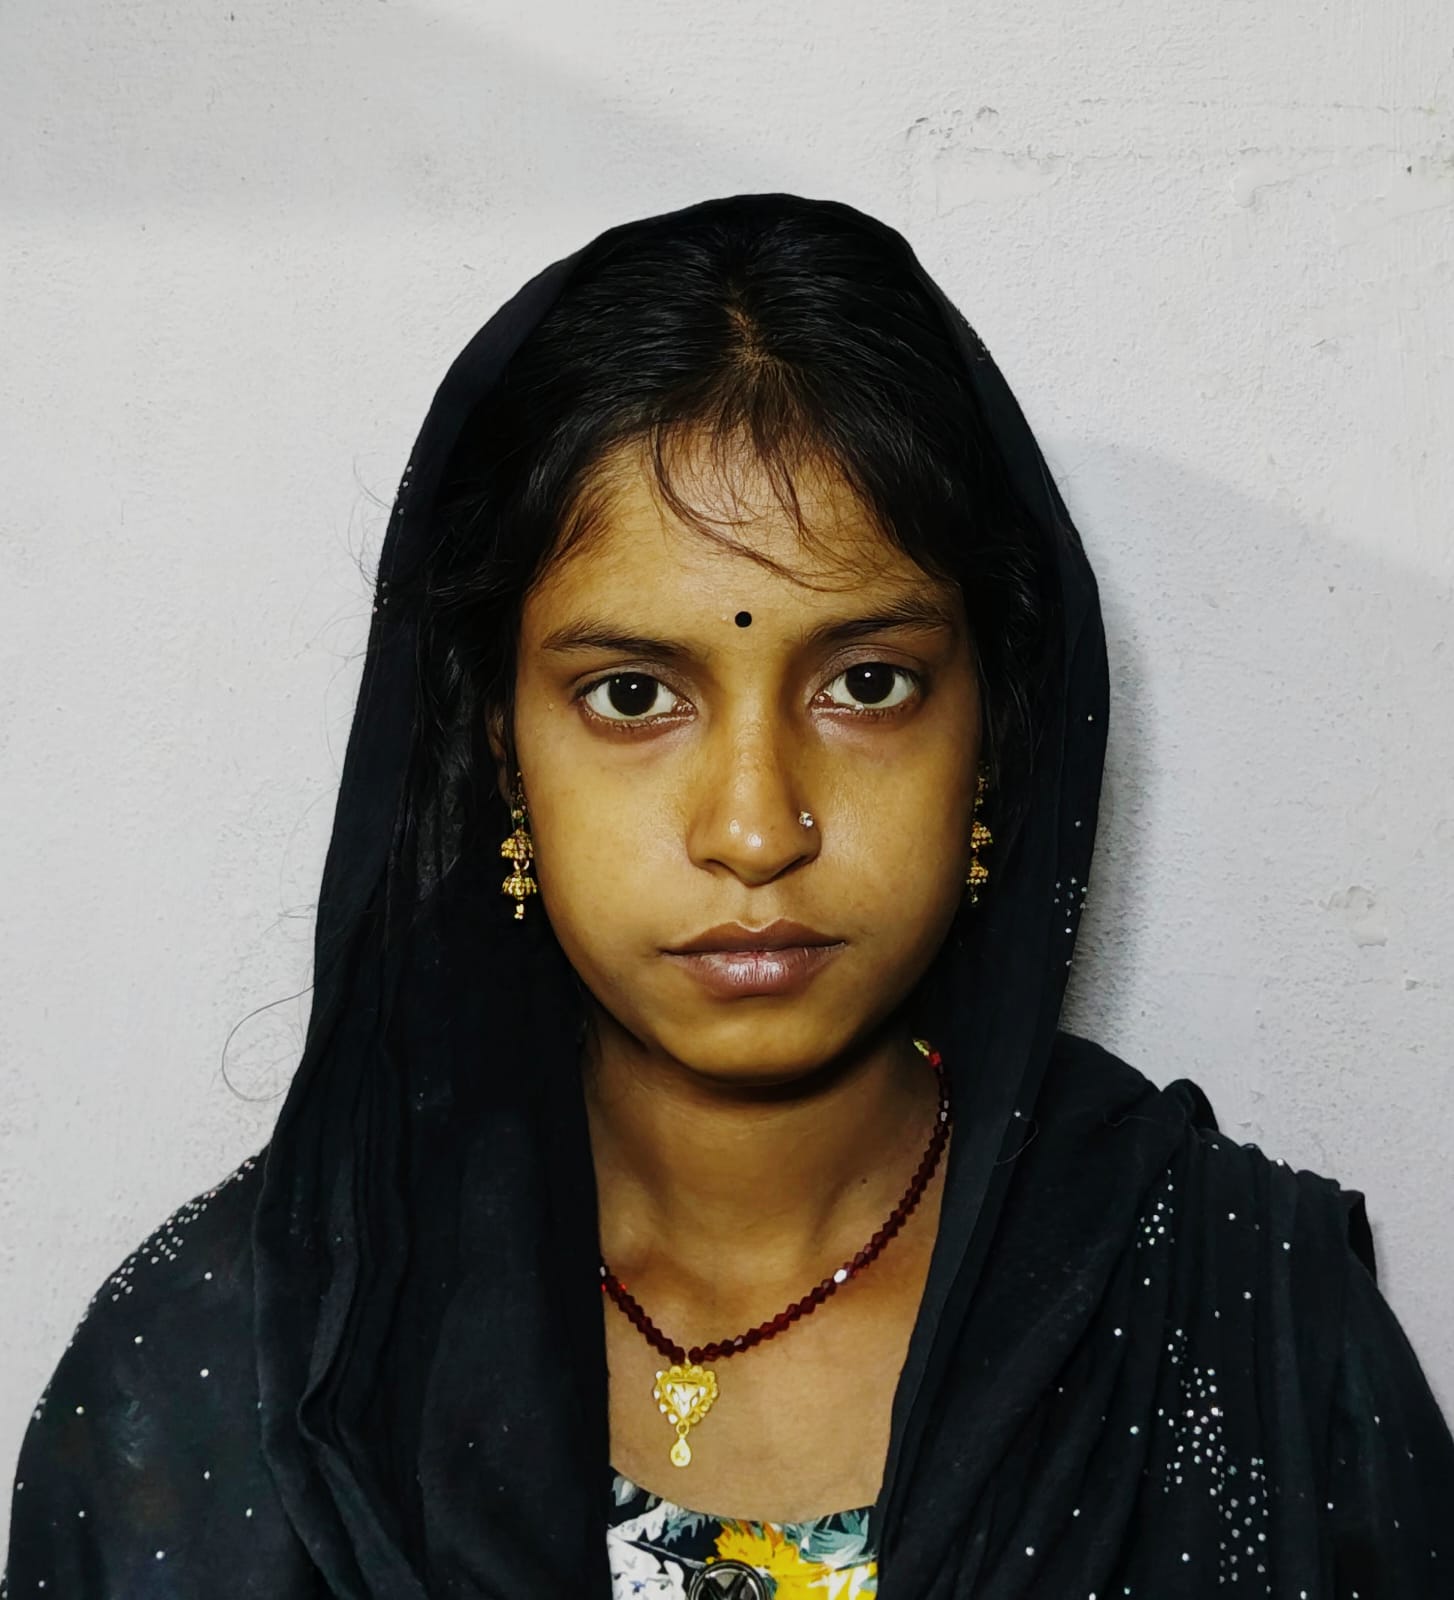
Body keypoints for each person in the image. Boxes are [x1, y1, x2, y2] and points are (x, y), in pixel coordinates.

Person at [4, 192, 1451, 1600]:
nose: (756, 830)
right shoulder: (235, 1370)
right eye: (634, 696)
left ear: (998, 734)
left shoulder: (1236, 1323)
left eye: (865, 684)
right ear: (501, 749)